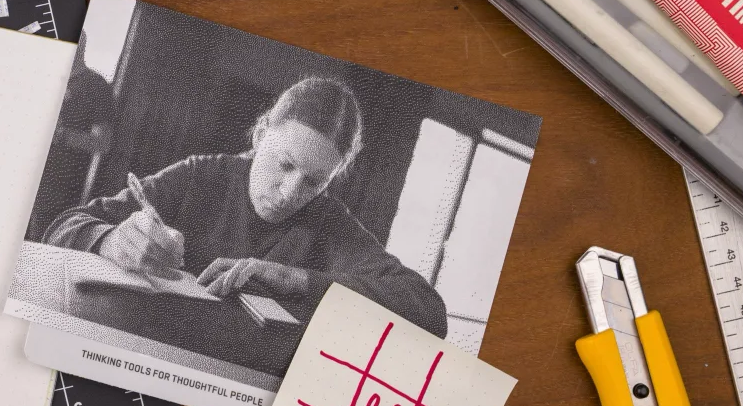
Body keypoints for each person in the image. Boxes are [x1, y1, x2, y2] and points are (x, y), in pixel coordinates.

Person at [41, 75, 447, 337]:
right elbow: (62, 225)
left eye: (314, 182)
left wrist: (296, 279)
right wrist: (110, 239)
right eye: (285, 164)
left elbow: (429, 312)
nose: (290, 193)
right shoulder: (201, 175)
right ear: (261, 133)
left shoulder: (329, 221)